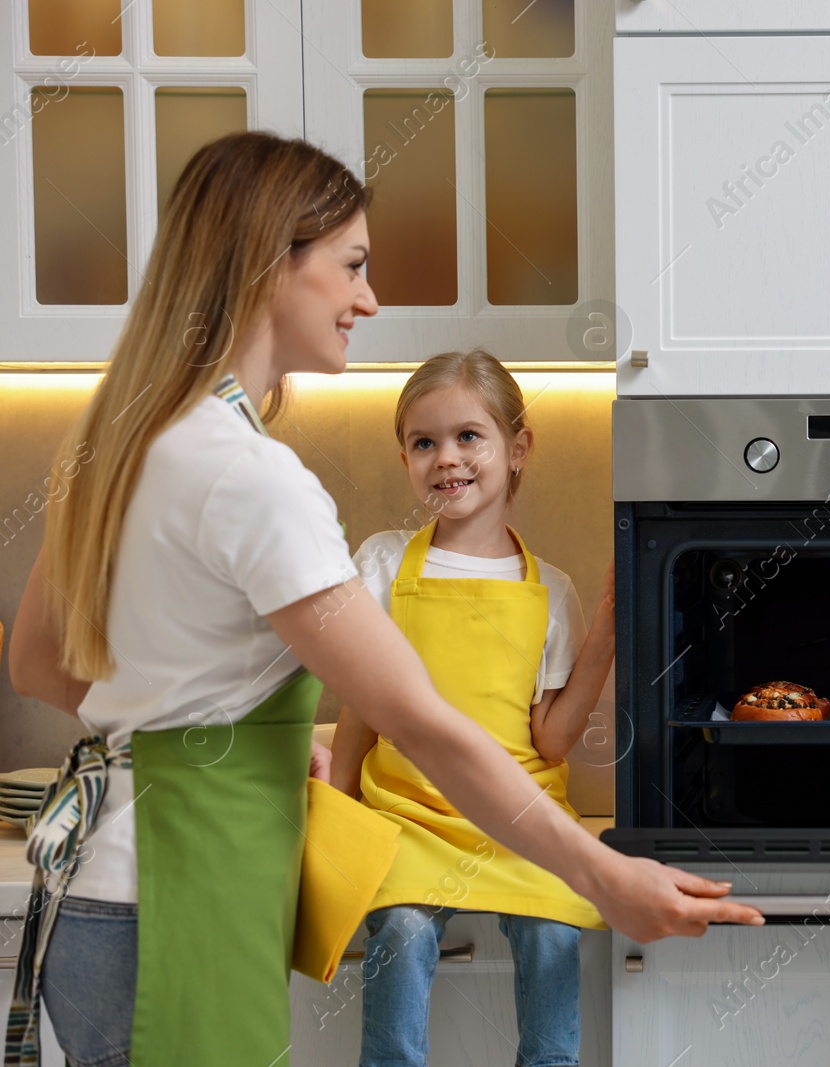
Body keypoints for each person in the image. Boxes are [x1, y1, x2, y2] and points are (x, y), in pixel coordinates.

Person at [5, 131, 760, 1067]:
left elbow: (38, 663)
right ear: (268, 262)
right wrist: (606, 877)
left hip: (101, 890)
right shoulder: (255, 480)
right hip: (183, 900)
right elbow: (425, 724)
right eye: (353, 265)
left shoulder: (124, 441)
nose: (369, 298)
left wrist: (219, 746)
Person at [328, 351, 610, 1067]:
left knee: (552, 929)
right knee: (401, 928)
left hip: (519, 819)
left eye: (467, 437)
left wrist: (606, 634)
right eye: (424, 442)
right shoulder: (385, 563)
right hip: (409, 818)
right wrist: (331, 816)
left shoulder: (552, 588)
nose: (445, 459)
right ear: (405, 457)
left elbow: (548, 742)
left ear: (517, 449)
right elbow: (363, 705)